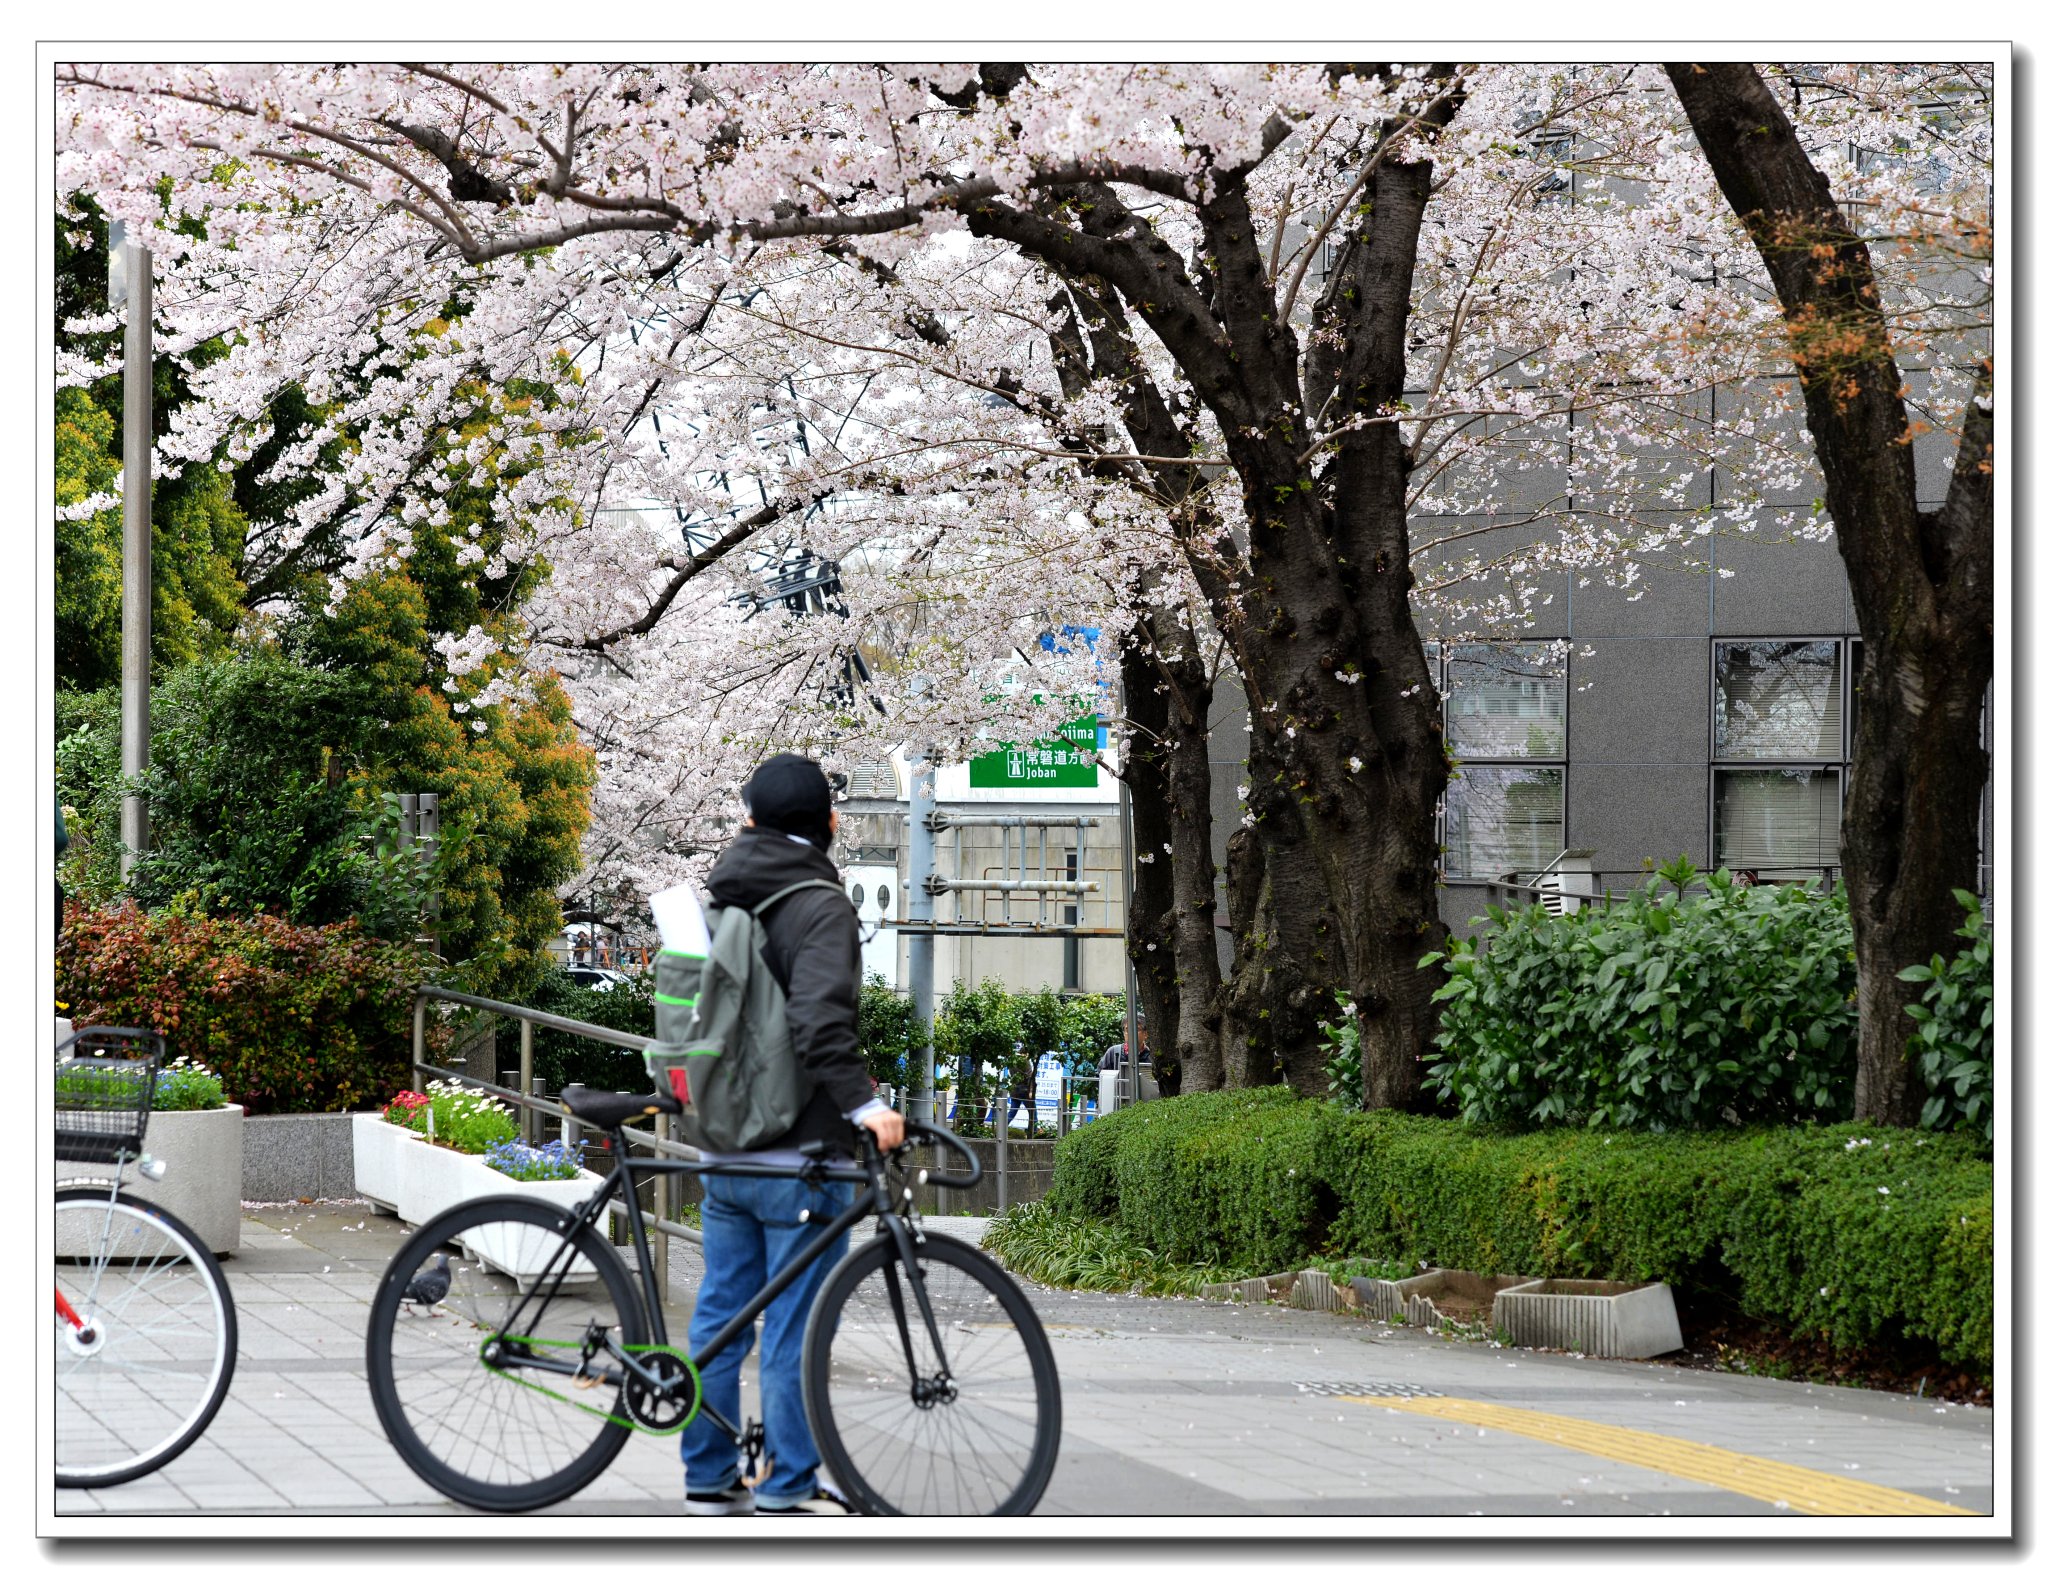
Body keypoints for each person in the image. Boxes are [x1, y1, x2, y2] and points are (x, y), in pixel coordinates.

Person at [680, 753, 904, 1518]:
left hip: (722, 1147)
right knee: (793, 1328)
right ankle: (786, 1480)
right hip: (801, 1160)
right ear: (831, 825)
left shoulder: (719, 899)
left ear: (749, 821)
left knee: (721, 1313)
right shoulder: (820, 906)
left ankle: (707, 1470)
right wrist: (865, 1108)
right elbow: (819, 1024)